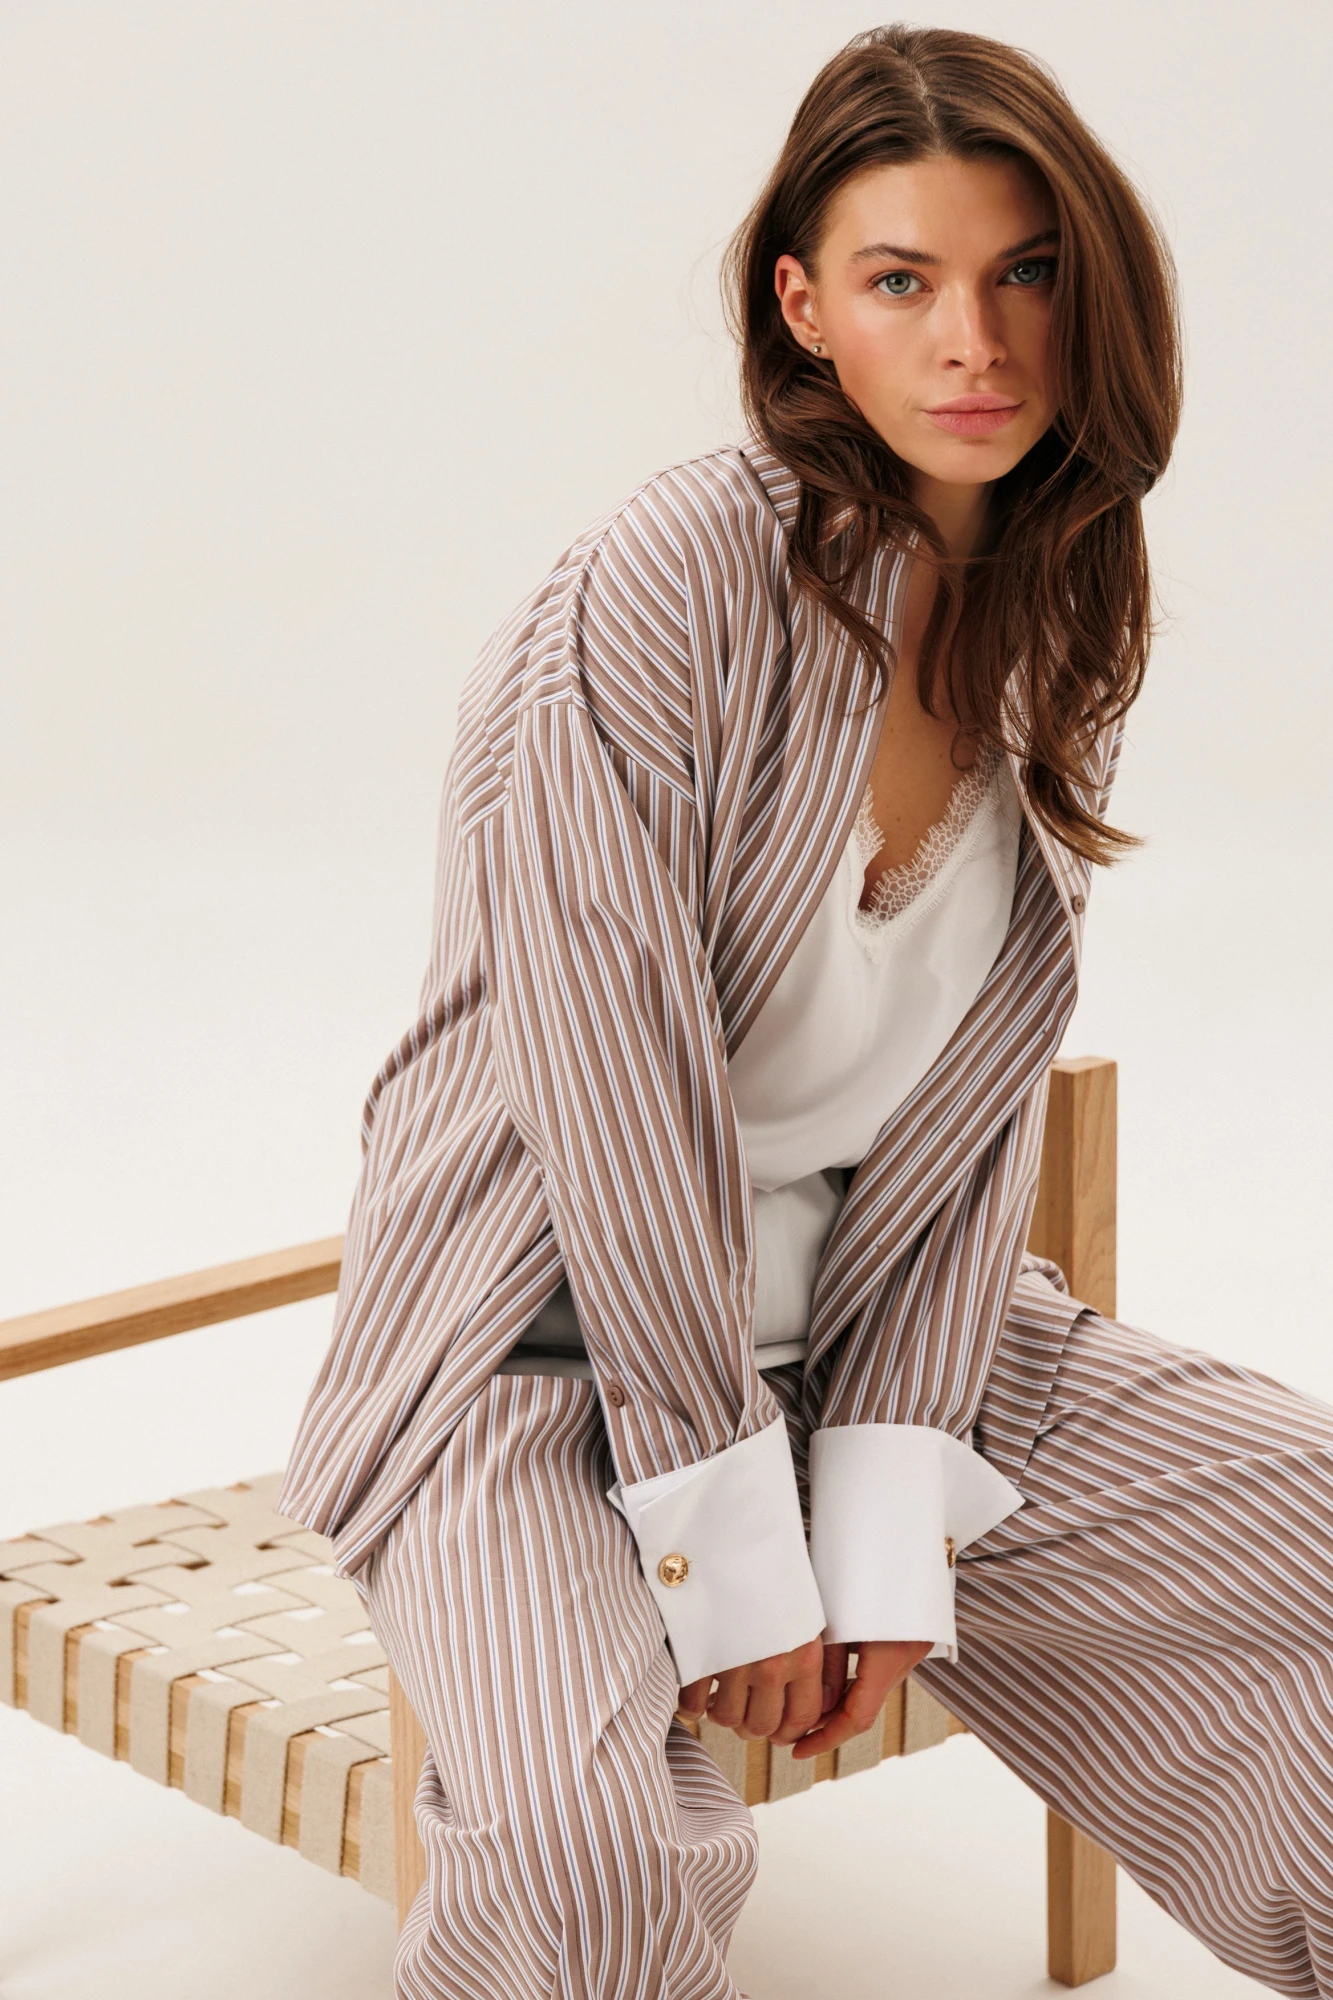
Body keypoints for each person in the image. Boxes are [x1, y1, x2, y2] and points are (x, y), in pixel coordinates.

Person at [277, 24, 1333, 2000]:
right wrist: (735, 1541)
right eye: (901, 280)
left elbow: (963, 1130)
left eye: (1026, 272)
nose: (976, 341)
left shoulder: (1051, 612)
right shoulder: (666, 584)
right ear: (804, 309)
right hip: (538, 1361)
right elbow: (611, 1089)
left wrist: (887, 1515)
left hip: (880, 1332)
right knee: (588, 1860)